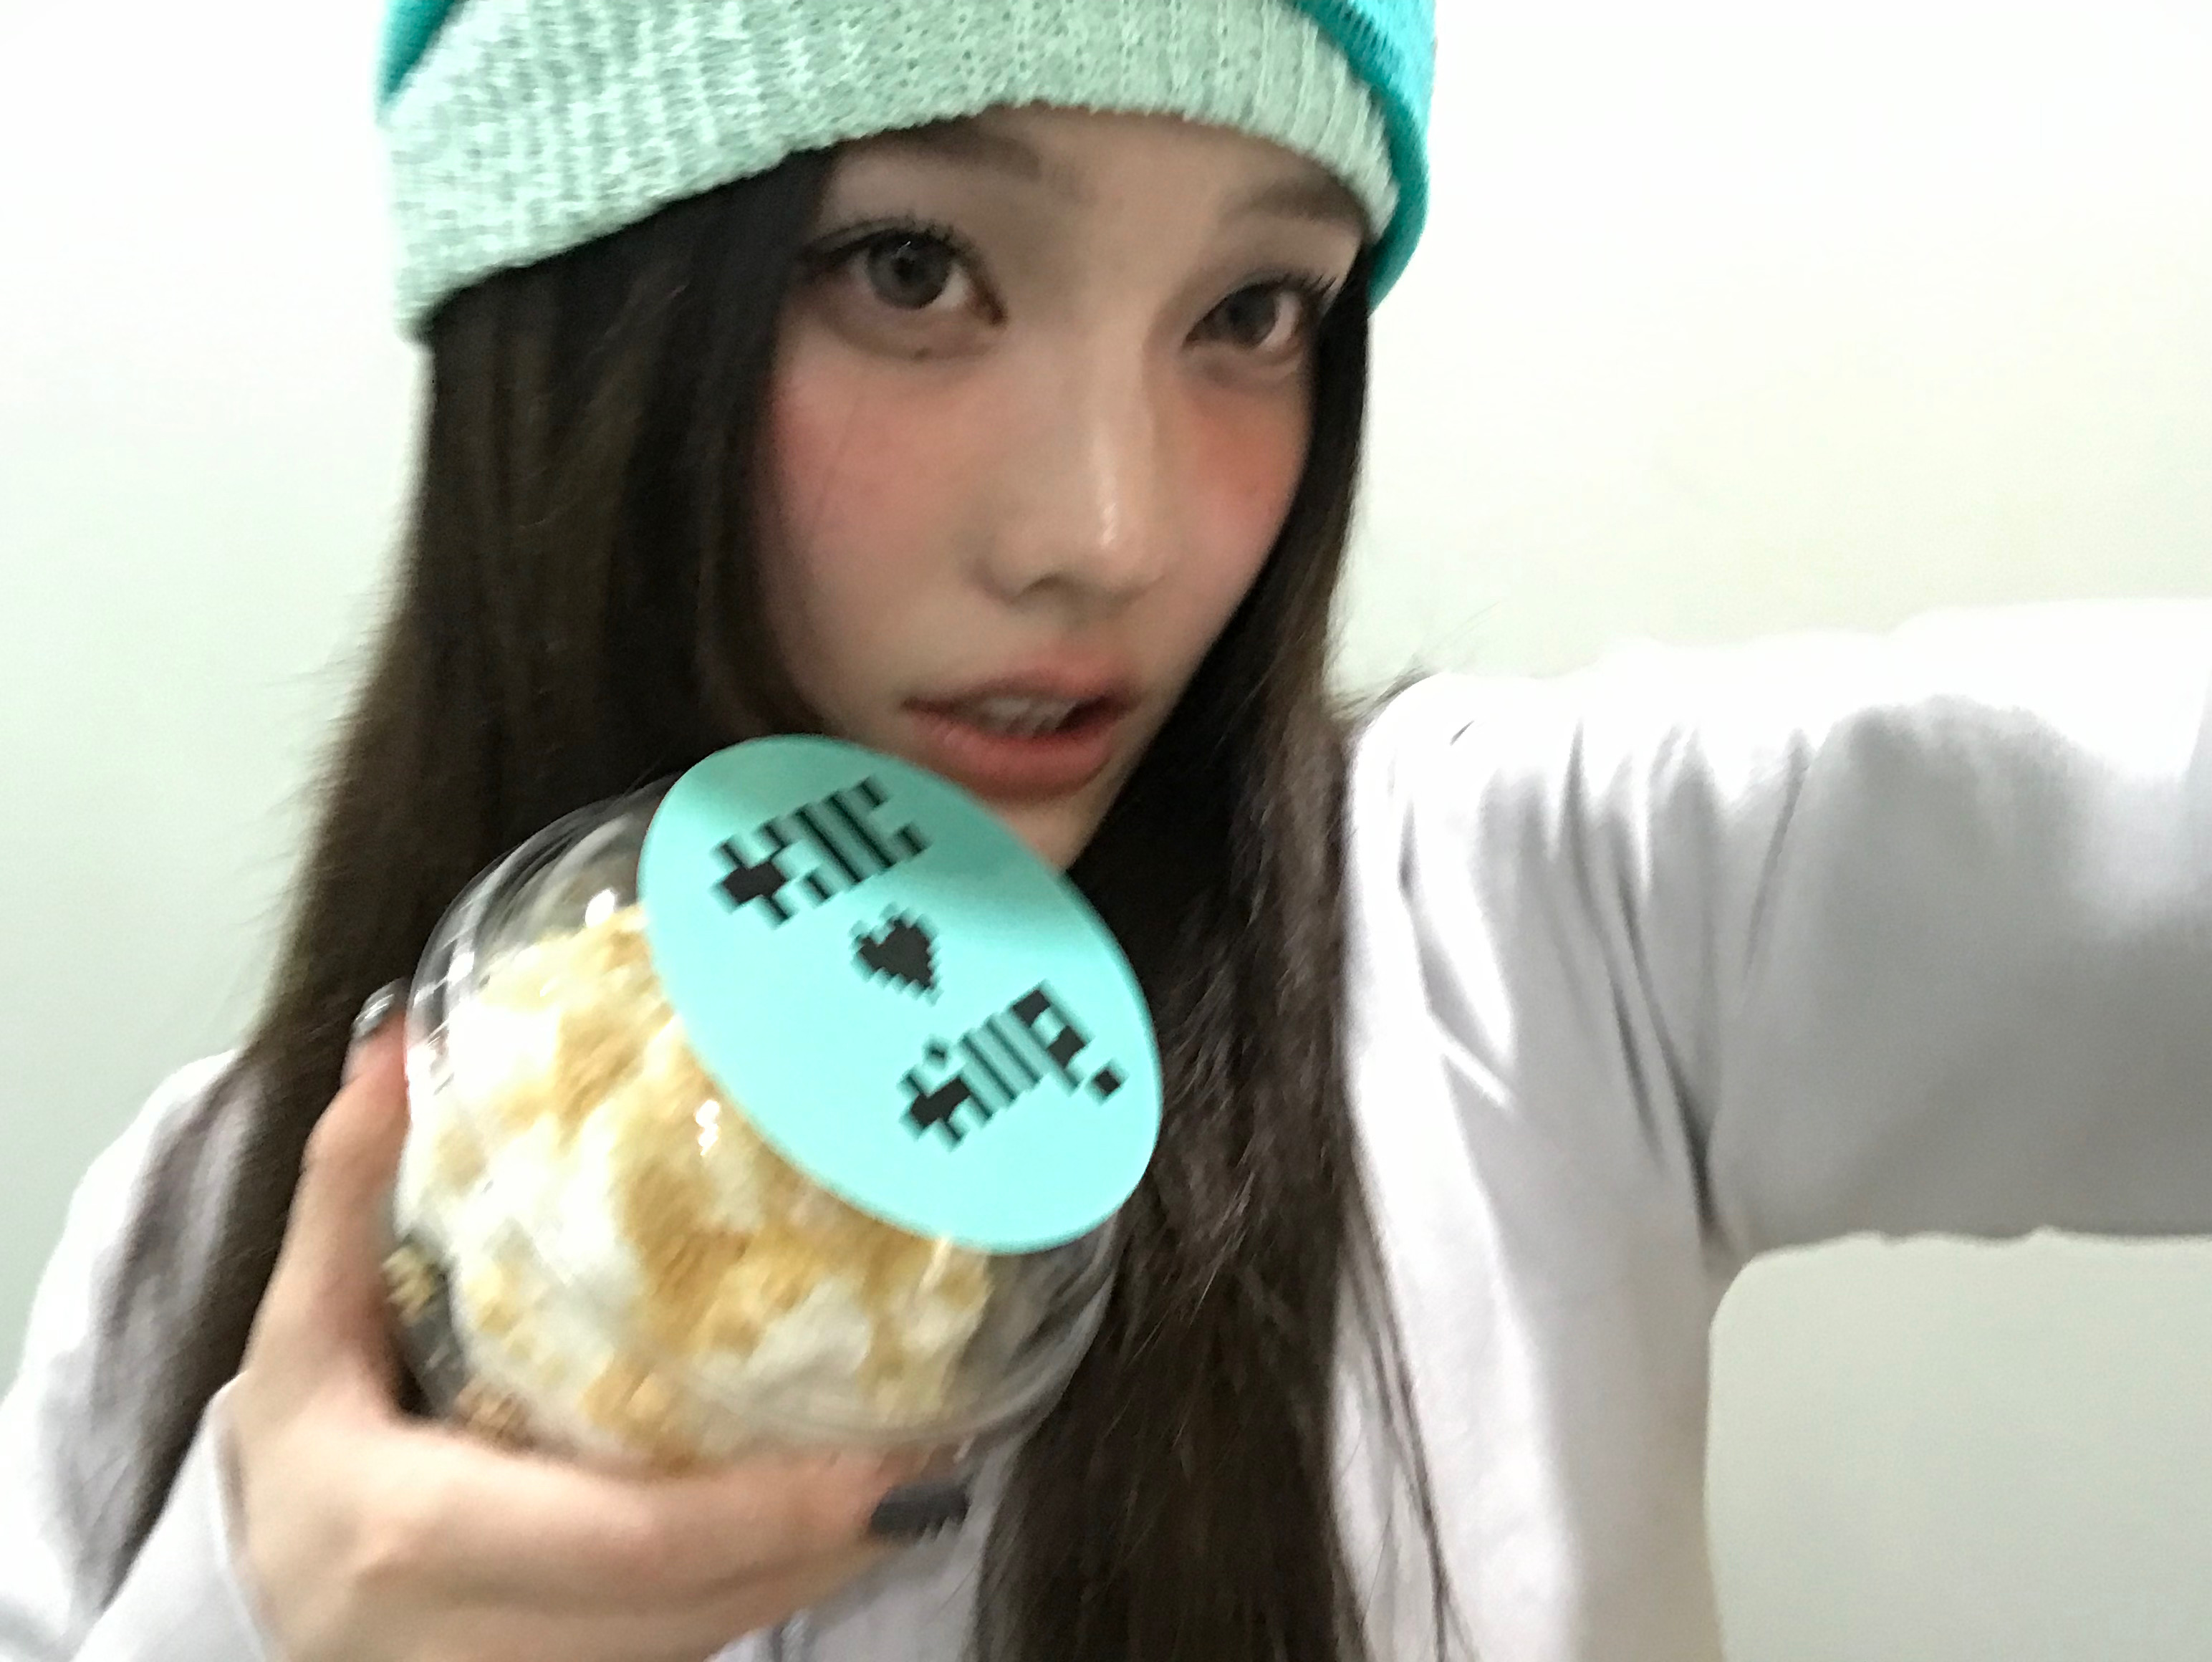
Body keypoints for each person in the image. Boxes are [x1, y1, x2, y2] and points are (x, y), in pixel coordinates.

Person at [3, 1, 2208, 1658]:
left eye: (1252, 313)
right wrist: (249, 1624)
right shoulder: (194, 1251)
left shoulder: (1531, 928)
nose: (1115, 534)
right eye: (909, 269)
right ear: (572, 300)